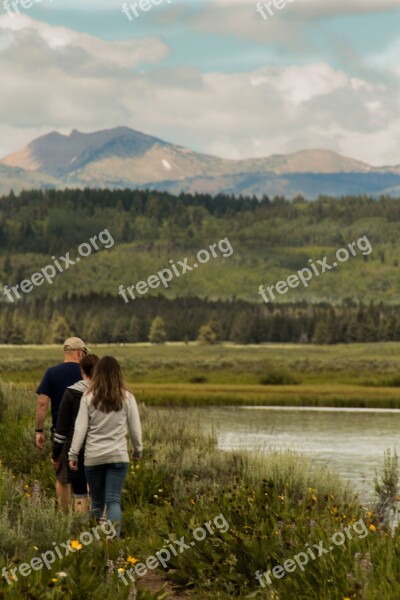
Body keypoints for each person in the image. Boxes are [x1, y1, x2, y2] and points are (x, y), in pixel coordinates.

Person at [68, 356, 142, 537]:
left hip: (93, 457)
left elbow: (80, 429)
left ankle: (93, 540)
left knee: (97, 503)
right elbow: (135, 429)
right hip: (118, 456)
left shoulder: (88, 397)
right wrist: (137, 450)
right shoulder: (127, 397)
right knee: (114, 501)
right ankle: (113, 541)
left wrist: (73, 454)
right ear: (119, 374)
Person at [35, 336, 90, 511]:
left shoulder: (51, 372)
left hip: (61, 432)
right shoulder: (88, 374)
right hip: (88, 433)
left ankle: (65, 517)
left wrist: (39, 430)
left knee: (63, 478)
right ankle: (84, 517)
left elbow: (42, 403)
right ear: (80, 353)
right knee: (86, 476)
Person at [51, 353, 99, 513]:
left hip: (76, 449)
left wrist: (55, 454)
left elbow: (61, 428)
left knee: (79, 494)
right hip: (101, 448)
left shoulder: (71, 393)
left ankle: (79, 528)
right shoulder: (105, 392)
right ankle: (99, 526)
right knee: (97, 490)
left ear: (82, 370)